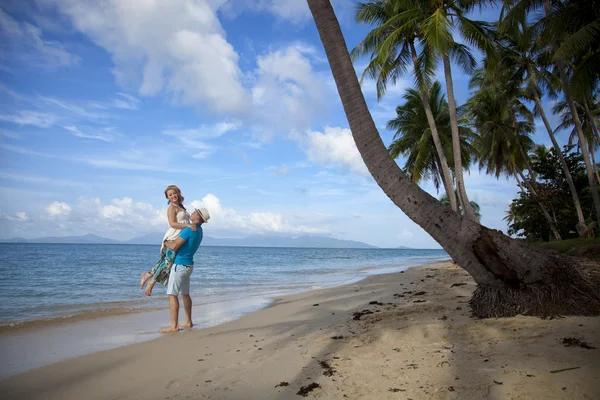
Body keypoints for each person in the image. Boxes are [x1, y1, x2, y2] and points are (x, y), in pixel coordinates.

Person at [158, 207, 210, 334]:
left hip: (180, 265)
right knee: (185, 294)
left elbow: (175, 245)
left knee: (172, 295)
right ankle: (188, 321)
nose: (191, 213)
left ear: (197, 217)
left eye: (194, 212)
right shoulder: (199, 230)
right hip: (189, 265)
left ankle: (174, 326)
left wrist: (165, 242)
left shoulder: (188, 230)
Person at [140, 185, 197, 295]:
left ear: (178, 193)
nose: (173, 196)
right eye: (170, 195)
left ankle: (147, 275)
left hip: (179, 237)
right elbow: (172, 223)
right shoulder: (171, 208)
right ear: (167, 198)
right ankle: (151, 282)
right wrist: (188, 226)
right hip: (172, 237)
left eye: (174, 193)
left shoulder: (180, 206)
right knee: (168, 263)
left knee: (165, 261)